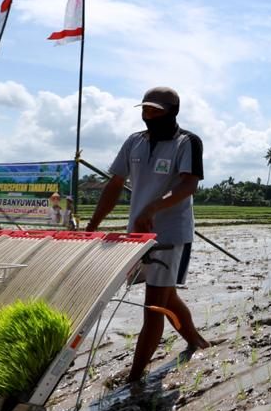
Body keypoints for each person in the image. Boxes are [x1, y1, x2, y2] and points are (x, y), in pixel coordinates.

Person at [85, 86, 210, 384]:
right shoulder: (134, 142)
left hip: (167, 235)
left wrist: (153, 207)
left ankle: (134, 377)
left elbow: (187, 186)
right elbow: (114, 185)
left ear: (172, 112)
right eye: (145, 110)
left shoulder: (187, 142)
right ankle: (198, 343)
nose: (148, 116)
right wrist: (93, 224)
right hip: (138, 235)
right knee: (167, 297)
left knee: (153, 305)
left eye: (155, 111)